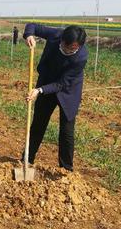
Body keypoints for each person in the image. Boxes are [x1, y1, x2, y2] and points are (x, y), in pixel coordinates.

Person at [23, 23, 88, 171]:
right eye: (65, 46)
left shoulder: (81, 57)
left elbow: (62, 84)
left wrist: (39, 90)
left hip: (67, 91)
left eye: (71, 48)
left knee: (66, 131)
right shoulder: (56, 35)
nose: (66, 50)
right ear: (62, 39)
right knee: (38, 123)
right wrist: (29, 35)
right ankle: (27, 159)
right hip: (46, 81)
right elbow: (32, 26)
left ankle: (65, 169)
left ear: (78, 46)